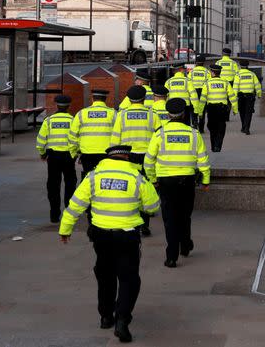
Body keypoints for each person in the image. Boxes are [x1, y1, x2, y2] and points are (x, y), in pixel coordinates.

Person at [59, 144, 161, 343]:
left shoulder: (93, 177)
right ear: (127, 158)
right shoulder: (136, 178)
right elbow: (153, 206)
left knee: (105, 274)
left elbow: (75, 205)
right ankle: (122, 320)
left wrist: (65, 229)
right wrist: (138, 204)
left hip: (101, 236)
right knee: (129, 278)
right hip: (127, 237)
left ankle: (106, 316)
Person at [144, 99, 210, 268]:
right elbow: (203, 160)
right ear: (183, 114)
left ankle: (171, 256)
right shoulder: (193, 134)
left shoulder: (160, 134)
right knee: (185, 215)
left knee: (170, 219)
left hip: (166, 182)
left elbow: (149, 161)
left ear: (167, 115)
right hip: (187, 181)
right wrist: (206, 180)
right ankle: (186, 245)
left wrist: (152, 180)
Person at [111, 85, 161, 236]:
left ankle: (129, 223)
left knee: (128, 189)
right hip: (147, 157)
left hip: (127, 157)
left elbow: (115, 139)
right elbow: (160, 137)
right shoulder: (152, 115)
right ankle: (144, 225)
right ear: (145, 98)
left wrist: (113, 158)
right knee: (144, 190)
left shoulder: (122, 115)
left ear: (129, 99)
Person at [36, 95, 78, 223]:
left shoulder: (49, 120)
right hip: (68, 156)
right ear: (69, 106)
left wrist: (42, 153)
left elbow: (41, 140)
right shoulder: (73, 120)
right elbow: (77, 139)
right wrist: (75, 154)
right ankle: (69, 212)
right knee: (70, 184)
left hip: (53, 157)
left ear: (56, 105)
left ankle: (54, 214)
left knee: (53, 185)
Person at [70, 89, 116, 177]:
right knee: (104, 178)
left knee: (89, 178)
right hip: (107, 153)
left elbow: (73, 135)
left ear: (92, 99)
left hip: (87, 153)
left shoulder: (81, 113)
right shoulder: (113, 114)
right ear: (105, 99)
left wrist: (74, 153)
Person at [198, 64, 238, 152]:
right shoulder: (226, 82)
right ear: (220, 72)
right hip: (222, 109)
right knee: (221, 127)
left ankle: (213, 146)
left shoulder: (207, 83)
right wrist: (235, 109)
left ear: (212, 73)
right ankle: (218, 146)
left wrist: (200, 112)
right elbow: (232, 97)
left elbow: (203, 99)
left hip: (211, 109)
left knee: (212, 128)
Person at [233, 59, 261, 135]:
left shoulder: (238, 74)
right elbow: (257, 85)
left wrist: (234, 97)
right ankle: (247, 128)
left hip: (241, 96)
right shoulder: (252, 74)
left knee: (242, 112)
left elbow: (235, 86)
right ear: (247, 66)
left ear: (240, 66)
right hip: (250, 96)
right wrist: (259, 94)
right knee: (249, 113)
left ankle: (243, 126)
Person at [189, 55, 209, 132]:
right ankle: (201, 128)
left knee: (193, 108)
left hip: (193, 92)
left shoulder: (192, 72)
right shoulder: (206, 72)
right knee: (202, 109)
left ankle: (194, 122)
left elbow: (189, 81)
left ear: (196, 62)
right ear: (204, 63)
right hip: (202, 92)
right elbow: (208, 83)